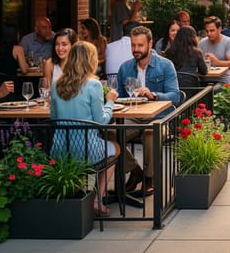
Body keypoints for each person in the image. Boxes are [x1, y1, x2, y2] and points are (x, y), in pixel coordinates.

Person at [49, 41, 119, 216]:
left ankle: (81, 193)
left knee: (97, 149)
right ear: (91, 60)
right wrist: (110, 101)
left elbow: (53, 117)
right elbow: (102, 121)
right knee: (116, 148)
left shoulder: (56, 83)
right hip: (87, 148)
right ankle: (97, 199)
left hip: (60, 148)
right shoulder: (93, 85)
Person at [116, 26, 180, 195]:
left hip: (159, 116)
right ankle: (135, 170)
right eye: (133, 45)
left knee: (152, 132)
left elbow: (175, 96)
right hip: (133, 116)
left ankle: (149, 178)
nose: (136, 50)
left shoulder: (165, 65)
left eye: (140, 45)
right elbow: (119, 98)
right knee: (109, 133)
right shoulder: (125, 68)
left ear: (150, 44)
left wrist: (153, 95)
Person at [199, 16, 230, 86]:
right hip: (203, 80)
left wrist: (216, 62)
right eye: (207, 31)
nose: (209, 34)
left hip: (222, 81)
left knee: (212, 91)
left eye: (212, 30)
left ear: (219, 29)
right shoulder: (201, 43)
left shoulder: (229, 42)